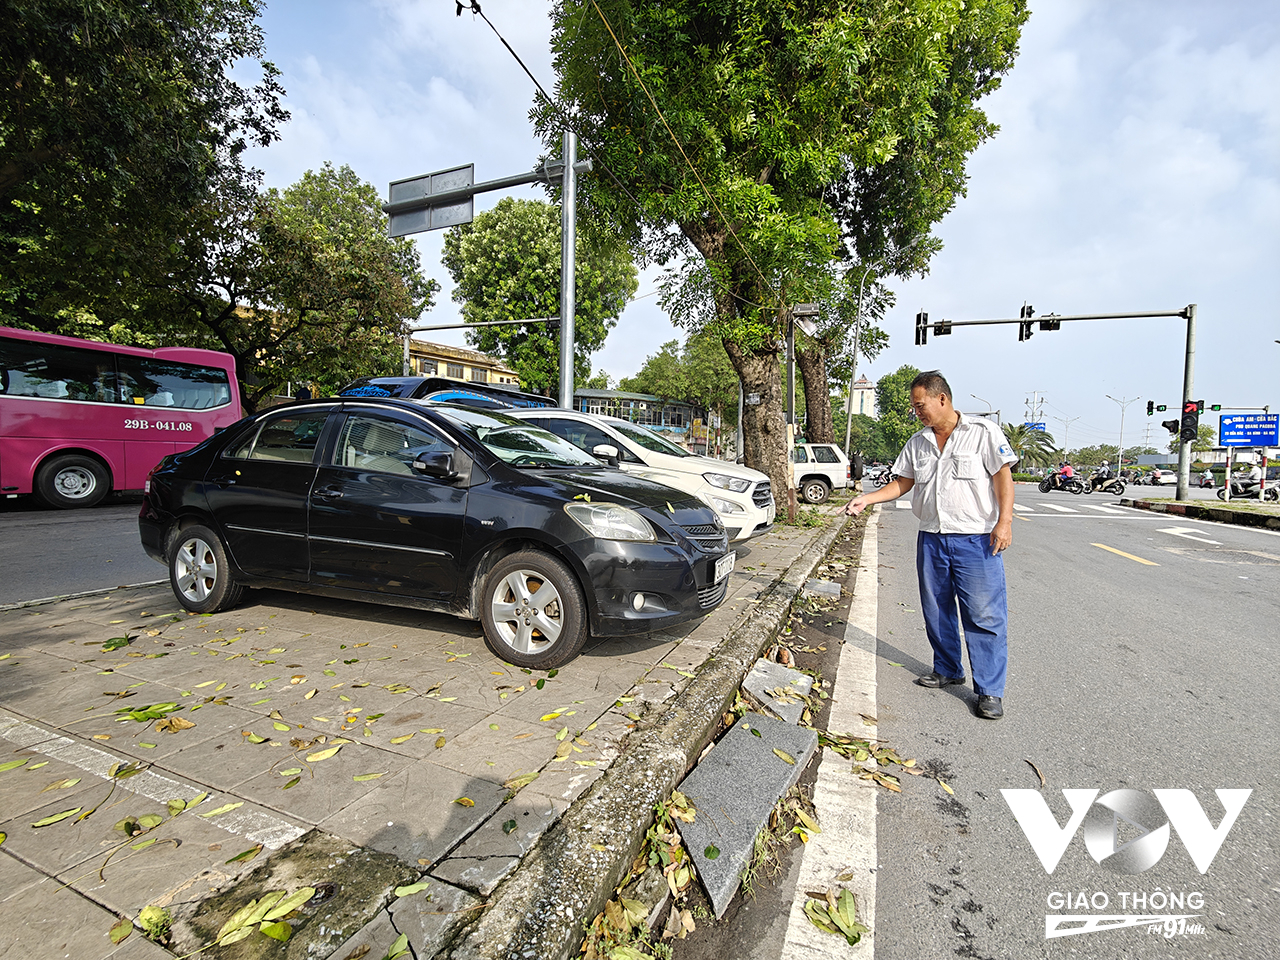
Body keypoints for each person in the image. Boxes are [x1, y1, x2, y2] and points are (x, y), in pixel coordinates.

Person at [844, 371, 1016, 719]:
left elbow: (1003, 477)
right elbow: (903, 483)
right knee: (936, 609)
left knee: (983, 614)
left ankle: (989, 691)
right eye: (914, 407)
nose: (917, 412)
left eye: (920, 405)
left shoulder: (982, 433)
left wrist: (1005, 522)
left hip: (976, 538)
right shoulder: (918, 443)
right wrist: (868, 499)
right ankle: (949, 668)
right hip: (932, 538)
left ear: (942, 399)